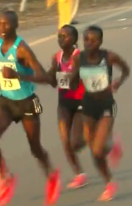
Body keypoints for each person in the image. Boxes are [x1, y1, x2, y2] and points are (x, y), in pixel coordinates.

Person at [0, 10, 61, 206]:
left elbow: (45, 77)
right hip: (6, 102)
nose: (2, 28)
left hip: (26, 102)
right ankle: (6, 176)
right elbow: (0, 67)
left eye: (7, 24)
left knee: (35, 148)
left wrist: (18, 76)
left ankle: (52, 176)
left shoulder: (22, 50)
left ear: (16, 25)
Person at [70, 25, 128, 201]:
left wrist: (118, 81)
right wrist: (73, 77)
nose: (89, 43)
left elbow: (126, 69)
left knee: (96, 153)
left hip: (106, 107)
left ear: (101, 42)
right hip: (88, 107)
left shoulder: (109, 57)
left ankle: (110, 184)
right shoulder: (79, 58)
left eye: (93, 40)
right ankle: (113, 144)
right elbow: (73, 82)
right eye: (86, 39)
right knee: (89, 144)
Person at [47, 24, 87, 189]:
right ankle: (79, 174)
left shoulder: (80, 57)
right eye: (59, 36)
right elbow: (52, 82)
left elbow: (74, 77)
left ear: (74, 40)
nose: (61, 39)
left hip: (81, 103)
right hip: (64, 103)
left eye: (65, 36)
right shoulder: (56, 57)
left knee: (76, 143)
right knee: (65, 141)